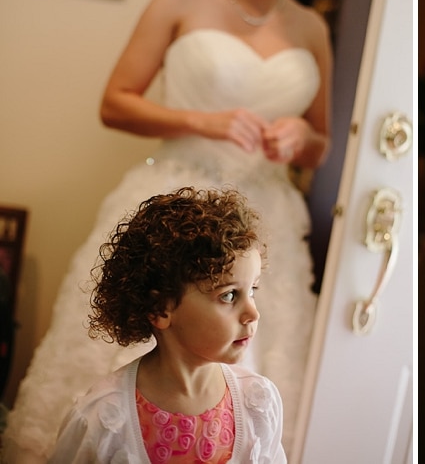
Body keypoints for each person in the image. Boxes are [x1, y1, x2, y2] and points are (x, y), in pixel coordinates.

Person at [3, 0, 338, 462]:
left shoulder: (311, 27)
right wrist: (200, 120)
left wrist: (298, 140)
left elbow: (323, 139)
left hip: (263, 223)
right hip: (175, 199)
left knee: (248, 353)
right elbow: (114, 103)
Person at [49, 187, 286, 463]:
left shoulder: (258, 404)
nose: (252, 313)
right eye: (229, 295)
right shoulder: (104, 418)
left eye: (253, 290)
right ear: (160, 309)